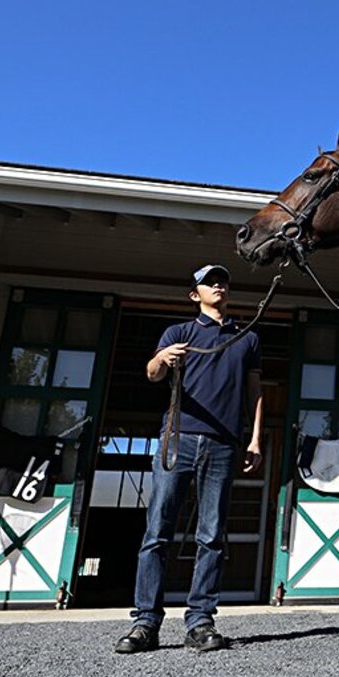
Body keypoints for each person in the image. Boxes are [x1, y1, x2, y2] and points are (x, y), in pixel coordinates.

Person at [115, 264, 263, 654]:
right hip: (177, 440)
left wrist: (255, 439)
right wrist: (162, 357)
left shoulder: (245, 338)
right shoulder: (179, 333)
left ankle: (200, 621)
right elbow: (152, 375)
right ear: (195, 295)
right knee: (157, 531)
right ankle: (145, 622)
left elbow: (255, 392)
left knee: (212, 535)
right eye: (210, 282)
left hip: (223, 445)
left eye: (223, 281)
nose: (219, 285)